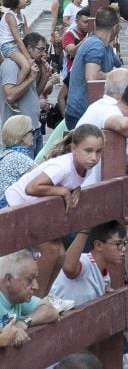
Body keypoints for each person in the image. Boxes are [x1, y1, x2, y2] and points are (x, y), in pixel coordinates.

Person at [3, 124, 104, 298]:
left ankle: (44, 296)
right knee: (50, 251)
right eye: (88, 151)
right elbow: (32, 187)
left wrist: (76, 188)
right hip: (13, 206)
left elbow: (72, 181)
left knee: (59, 253)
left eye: (98, 151)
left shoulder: (85, 166)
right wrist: (62, 191)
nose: (94, 157)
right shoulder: (63, 166)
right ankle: (34, 301)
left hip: (33, 211)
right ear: (74, 149)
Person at [50, 220, 128, 369]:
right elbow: (69, 268)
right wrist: (85, 230)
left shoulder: (105, 276)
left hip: (73, 338)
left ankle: (125, 353)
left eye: (125, 244)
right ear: (98, 245)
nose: (123, 249)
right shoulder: (84, 263)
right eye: (118, 244)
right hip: (57, 344)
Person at [64, 7, 122, 129]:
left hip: (86, 111)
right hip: (82, 114)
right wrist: (115, 76)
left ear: (95, 23)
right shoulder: (96, 45)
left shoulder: (105, 46)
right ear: (115, 28)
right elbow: (92, 76)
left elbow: (119, 66)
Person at [2, 33, 54, 157]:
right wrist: (30, 78)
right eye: (41, 49)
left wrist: (45, 76)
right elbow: (10, 96)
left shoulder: (32, 66)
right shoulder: (11, 65)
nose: (44, 54)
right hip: (19, 134)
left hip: (34, 129)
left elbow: (34, 95)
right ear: (29, 48)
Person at [0, 250, 60, 340]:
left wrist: (24, 322)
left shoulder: (16, 298)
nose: (36, 286)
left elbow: (51, 311)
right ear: (9, 280)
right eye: (29, 279)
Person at [0, 0, 33, 113]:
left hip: (15, 44)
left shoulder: (22, 16)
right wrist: (28, 58)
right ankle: (13, 96)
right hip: (8, 45)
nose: (26, 0)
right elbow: (18, 39)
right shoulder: (10, 16)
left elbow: (28, 36)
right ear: (14, 0)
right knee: (25, 66)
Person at [0, 115, 36, 196]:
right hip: (9, 207)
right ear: (23, 136)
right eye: (32, 131)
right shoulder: (21, 159)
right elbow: (43, 179)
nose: (33, 135)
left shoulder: (5, 153)